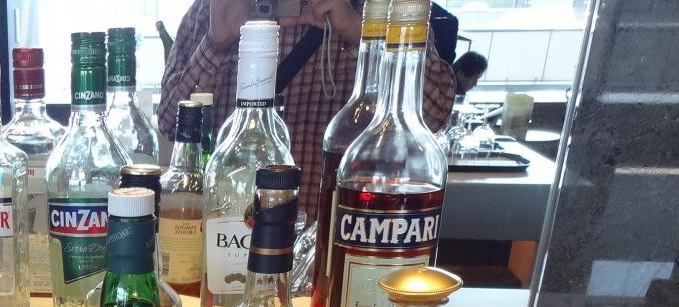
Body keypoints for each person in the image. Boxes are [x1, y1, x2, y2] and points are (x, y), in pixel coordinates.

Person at [157, 0, 457, 216]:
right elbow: (170, 123)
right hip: (224, 231)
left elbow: (432, 116)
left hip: (334, 237)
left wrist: (360, 32)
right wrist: (216, 42)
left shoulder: (381, 10)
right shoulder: (211, 9)